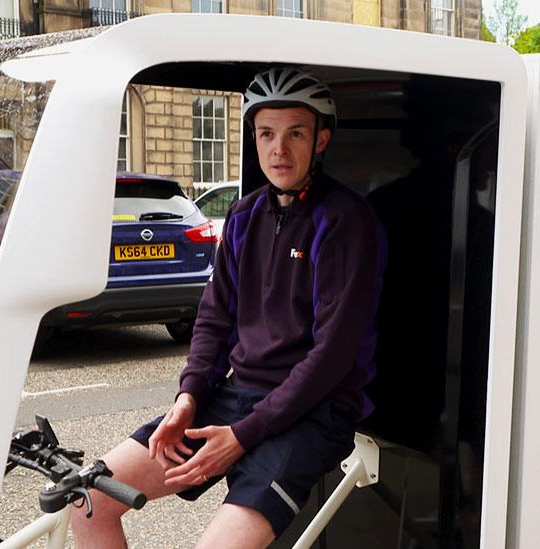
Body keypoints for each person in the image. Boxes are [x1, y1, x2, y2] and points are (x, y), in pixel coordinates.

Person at [71, 67, 386, 549]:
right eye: (266, 133)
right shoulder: (244, 215)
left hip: (315, 412)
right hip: (236, 395)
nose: (278, 149)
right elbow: (214, 319)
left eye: (295, 133)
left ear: (321, 139)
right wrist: (188, 398)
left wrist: (241, 436)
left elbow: (332, 357)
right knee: (88, 500)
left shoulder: (344, 221)